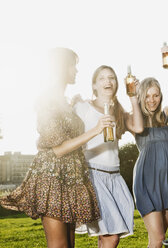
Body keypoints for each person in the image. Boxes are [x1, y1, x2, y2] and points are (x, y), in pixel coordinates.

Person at [0, 47, 104, 248]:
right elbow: (58, 148)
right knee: (59, 245)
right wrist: (96, 130)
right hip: (52, 178)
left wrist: (74, 108)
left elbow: (68, 132)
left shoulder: (64, 102)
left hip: (71, 177)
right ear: (61, 68)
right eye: (73, 65)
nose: (76, 70)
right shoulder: (46, 100)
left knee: (70, 244)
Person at [73, 65, 143, 248]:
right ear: (94, 85)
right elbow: (72, 141)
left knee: (106, 237)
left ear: (117, 83)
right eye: (102, 78)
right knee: (111, 237)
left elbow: (138, 128)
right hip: (93, 175)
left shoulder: (118, 111)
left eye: (111, 77)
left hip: (115, 177)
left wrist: (133, 96)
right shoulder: (83, 107)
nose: (107, 81)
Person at [133, 77, 168, 248]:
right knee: (159, 238)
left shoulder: (165, 117)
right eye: (147, 96)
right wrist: (132, 94)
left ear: (160, 96)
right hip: (147, 181)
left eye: (156, 95)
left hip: (166, 181)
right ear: (141, 97)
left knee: (158, 240)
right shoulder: (137, 120)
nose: (152, 100)